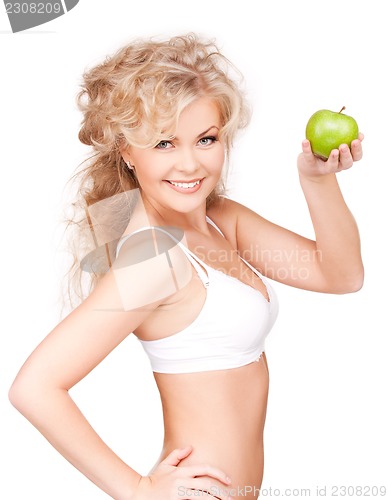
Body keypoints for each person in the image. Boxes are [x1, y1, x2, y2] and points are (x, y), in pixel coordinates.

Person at [8, 33, 364, 500]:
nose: (190, 163)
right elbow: (34, 388)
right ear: (125, 151)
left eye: (206, 139)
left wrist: (316, 180)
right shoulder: (154, 257)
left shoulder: (219, 220)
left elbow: (341, 275)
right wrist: (136, 489)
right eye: (163, 143)